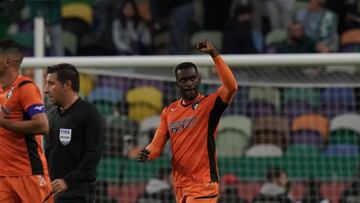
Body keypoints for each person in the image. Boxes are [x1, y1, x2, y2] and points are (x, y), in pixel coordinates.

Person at [138, 39, 238, 203]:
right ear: (178, 84)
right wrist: (147, 153)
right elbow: (156, 146)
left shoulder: (210, 105)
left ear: (198, 79)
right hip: (180, 186)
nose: (189, 83)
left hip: (204, 184)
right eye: (184, 80)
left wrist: (214, 55)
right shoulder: (169, 112)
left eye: (192, 79)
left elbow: (231, 87)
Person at [0, 39, 53, 202]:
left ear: (7, 61)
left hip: (29, 173)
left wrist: (3, 123)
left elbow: (43, 125)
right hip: (3, 176)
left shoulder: (25, 87)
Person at [44, 63, 104, 202]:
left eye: (51, 84)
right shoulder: (52, 115)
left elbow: (93, 154)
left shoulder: (89, 114)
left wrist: (67, 181)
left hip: (77, 194)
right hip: (53, 193)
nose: (46, 90)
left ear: (67, 85)